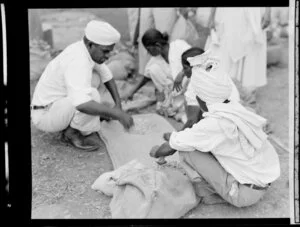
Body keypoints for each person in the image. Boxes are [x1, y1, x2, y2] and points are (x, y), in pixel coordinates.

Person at [149, 53, 280, 208]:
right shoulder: (234, 107)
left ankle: (210, 193)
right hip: (262, 182)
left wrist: (156, 152)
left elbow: (170, 148)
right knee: (196, 143)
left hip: (244, 194)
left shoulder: (213, 124)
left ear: (199, 99)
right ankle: (225, 184)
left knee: (186, 150)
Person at [31, 20, 134, 151]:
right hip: (45, 115)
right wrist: (116, 114)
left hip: (56, 106)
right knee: (91, 97)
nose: (108, 56)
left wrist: (118, 105)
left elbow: (107, 76)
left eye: (110, 52)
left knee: (95, 79)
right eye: (105, 52)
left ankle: (80, 123)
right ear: (91, 45)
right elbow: (82, 104)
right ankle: (71, 133)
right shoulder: (79, 61)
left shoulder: (84, 48)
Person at [163, 47, 241, 141]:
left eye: (184, 68)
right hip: (234, 113)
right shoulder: (214, 69)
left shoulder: (195, 85)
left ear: (193, 67)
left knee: (190, 105)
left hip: (221, 124)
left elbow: (192, 121)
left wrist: (176, 137)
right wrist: (182, 73)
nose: (182, 70)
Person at [123, 28, 192, 119]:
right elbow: (146, 77)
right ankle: (173, 102)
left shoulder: (179, 46)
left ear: (157, 45)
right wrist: (132, 92)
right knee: (153, 69)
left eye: (148, 49)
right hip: (176, 91)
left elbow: (196, 58)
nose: (148, 53)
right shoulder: (156, 60)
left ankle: (185, 105)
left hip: (191, 85)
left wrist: (182, 73)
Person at [205, 7, 271, 101]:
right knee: (223, 50)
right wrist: (211, 16)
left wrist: (268, 11)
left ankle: (247, 94)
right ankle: (223, 94)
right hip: (227, 13)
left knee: (250, 50)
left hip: (253, 12)